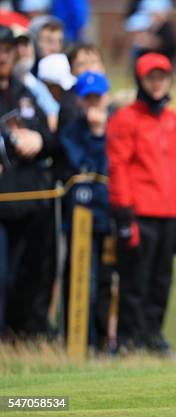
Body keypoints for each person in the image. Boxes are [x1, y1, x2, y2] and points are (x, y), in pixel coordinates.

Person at [106, 52, 176, 354]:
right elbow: (118, 167)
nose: (157, 83)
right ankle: (130, 338)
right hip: (141, 212)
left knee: (161, 280)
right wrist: (123, 214)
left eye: (162, 77)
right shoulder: (125, 119)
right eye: (151, 77)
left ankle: (153, 335)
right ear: (140, 80)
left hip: (170, 212)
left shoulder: (174, 120)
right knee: (135, 280)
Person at [0, 24, 55, 339]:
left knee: (27, 275)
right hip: (2, 203)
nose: (3, 57)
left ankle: (16, 336)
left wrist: (37, 137)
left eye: (8, 51)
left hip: (28, 202)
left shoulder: (24, 91)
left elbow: (50, 138)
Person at [59, 71, 112, 348]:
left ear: (106, 97)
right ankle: (81, 341)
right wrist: (95, 134)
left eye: (98, 97)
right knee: (82, 278)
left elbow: (113, 164)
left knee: (107, 282)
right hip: (81, 217)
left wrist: (103, 133)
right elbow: (85, 165)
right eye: (87, 98)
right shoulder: (72, 132)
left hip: (110, 216)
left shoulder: (115, 127)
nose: (93, 103)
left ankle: (105, 342)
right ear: (79, 101)